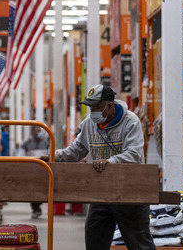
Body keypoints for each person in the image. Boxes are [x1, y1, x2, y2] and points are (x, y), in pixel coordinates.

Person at [48, 84, 155, 250]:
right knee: (94, 239)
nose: (93, 112)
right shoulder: (88, 124)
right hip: (101, 192)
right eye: (91, 108)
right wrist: (53, 156)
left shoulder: (130, 122)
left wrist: (110, 162)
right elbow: (76, 151)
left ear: (110, 105)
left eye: (97, 107)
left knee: (139, 244)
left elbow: (134, 154)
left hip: (130, 191)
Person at [21, 126, 49, 218]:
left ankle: (37, 207)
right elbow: (21, 156)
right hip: (31, 172)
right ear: (32, 132)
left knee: (42, 191)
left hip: (43, 171)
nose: (39, 133)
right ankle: (35, 209)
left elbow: (50, 154)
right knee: (32, 191)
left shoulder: (46, 143)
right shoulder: (26, 144)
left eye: (40, 131)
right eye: (37, 131)